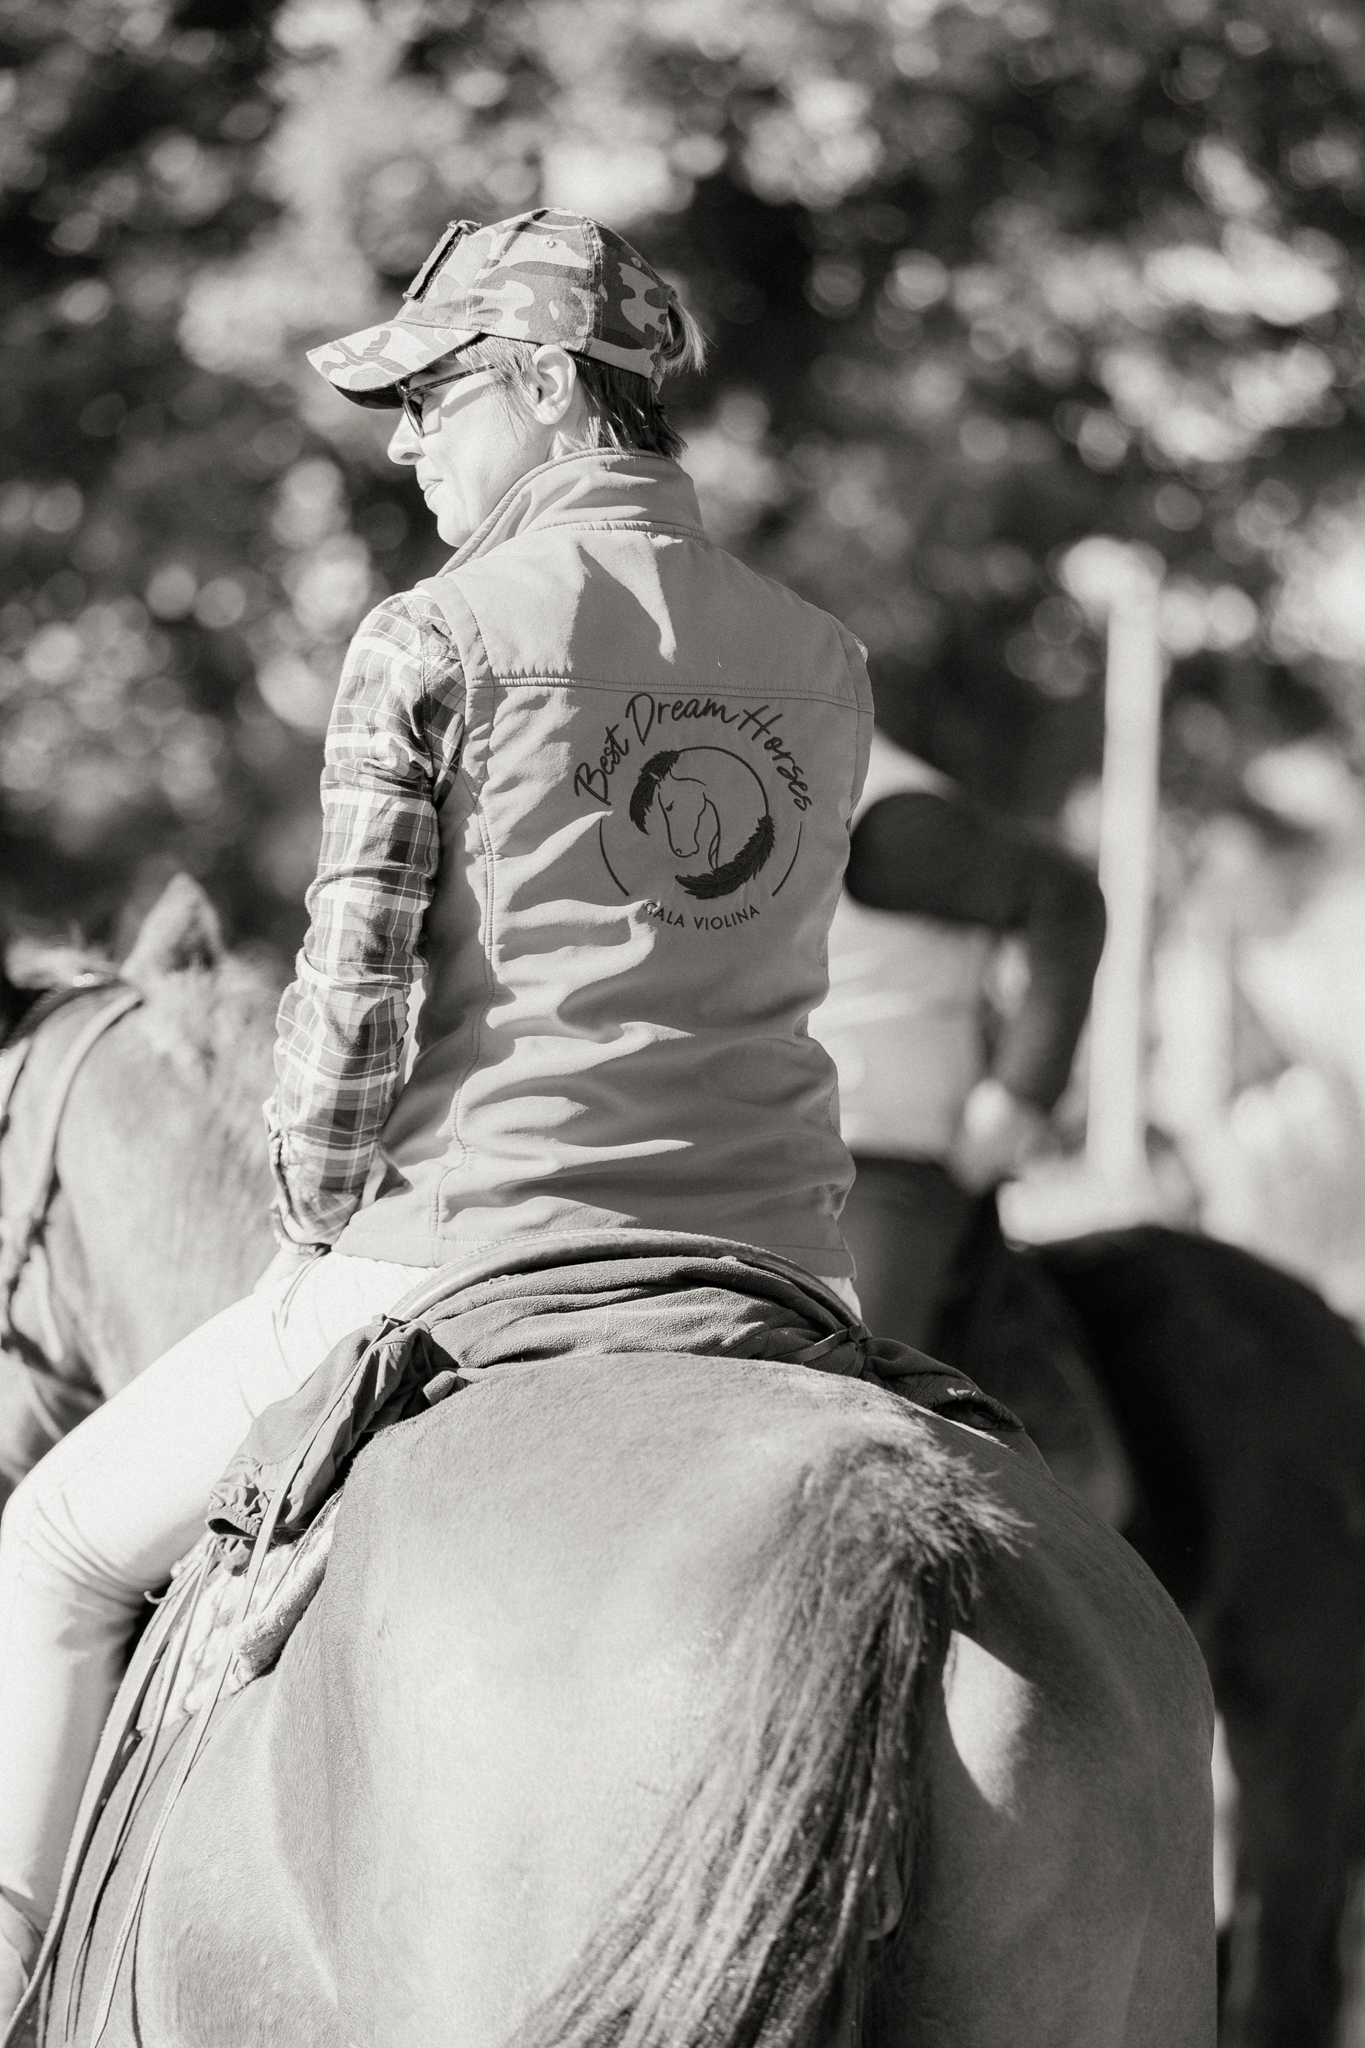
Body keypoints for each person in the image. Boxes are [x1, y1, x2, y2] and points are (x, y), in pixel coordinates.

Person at [0, 208, 873, 2015]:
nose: (405, 442)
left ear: (549, 387)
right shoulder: (822, 655)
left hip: (477, 1240)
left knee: (55, 1545)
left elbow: (341, 1053)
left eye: (433, 395)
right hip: (785, 1264)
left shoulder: (433, 636)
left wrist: (315, 1214)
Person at [810, 724, 1106, 1353]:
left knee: (843, 1387)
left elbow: (1065, 899)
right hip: (776, 1154)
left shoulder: (885, 820)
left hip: (876, 1164)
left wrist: (1021, 1093)